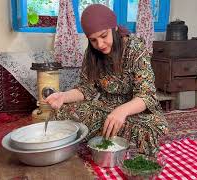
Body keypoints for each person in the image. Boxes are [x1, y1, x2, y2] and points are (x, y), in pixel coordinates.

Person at [45, 4, 168, 156]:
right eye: (93, 40)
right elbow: (85, 89)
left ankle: (103, 133)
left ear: (115, 28)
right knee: (62, 112)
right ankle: (111, 133)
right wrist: (63, 96)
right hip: (105, 108)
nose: (100, 44)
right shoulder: (91, 54)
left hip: (135, 111)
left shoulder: (135, 48)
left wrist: (122, 111)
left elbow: (147, 96)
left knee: (150, 127)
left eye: (104, 36)